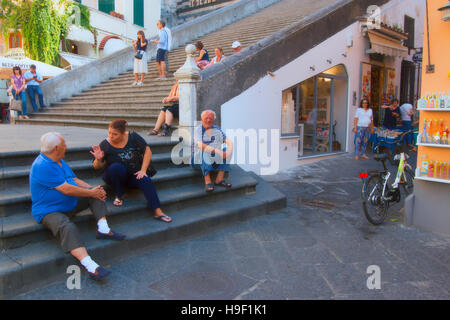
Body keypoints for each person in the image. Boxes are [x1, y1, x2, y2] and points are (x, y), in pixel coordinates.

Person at [30, 132, 126, 281]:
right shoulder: (42, 165)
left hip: (70, 202)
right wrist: (90, 192)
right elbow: (66, 189)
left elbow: (74, 179)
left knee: (96, 193)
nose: (67, 147)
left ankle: (103, 229)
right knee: (67, 227)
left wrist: (93, 189)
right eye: (64, 145)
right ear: (56, 148)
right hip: (49, 210)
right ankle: (91, 266)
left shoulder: (59, 160)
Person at [91, 120, 172, 223]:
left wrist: (143, 170)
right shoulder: (105, 144)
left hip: (133, 175)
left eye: (115, 134)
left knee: (145, 179)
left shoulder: (133, 137)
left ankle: (157, 211)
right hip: (115, 177)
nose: (111, 136)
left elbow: (148, 151)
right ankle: (119, 195)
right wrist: (98, 159)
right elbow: (96, 167)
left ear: (123, 133)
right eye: (109, 133)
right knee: (116, 167)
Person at [191, 110, 234, 192]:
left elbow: (228, 141)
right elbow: (200, 145)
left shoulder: (217, 129)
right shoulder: (198, 129)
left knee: (226, 149)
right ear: (201, 119)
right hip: (197, 161)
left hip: (212, 160)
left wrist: (229, 150)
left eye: (210, 118)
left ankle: (219, 179)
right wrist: (218, 152)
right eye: (206, 118)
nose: (208, 120)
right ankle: (207, 181)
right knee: (204, 149)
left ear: (213, 120)